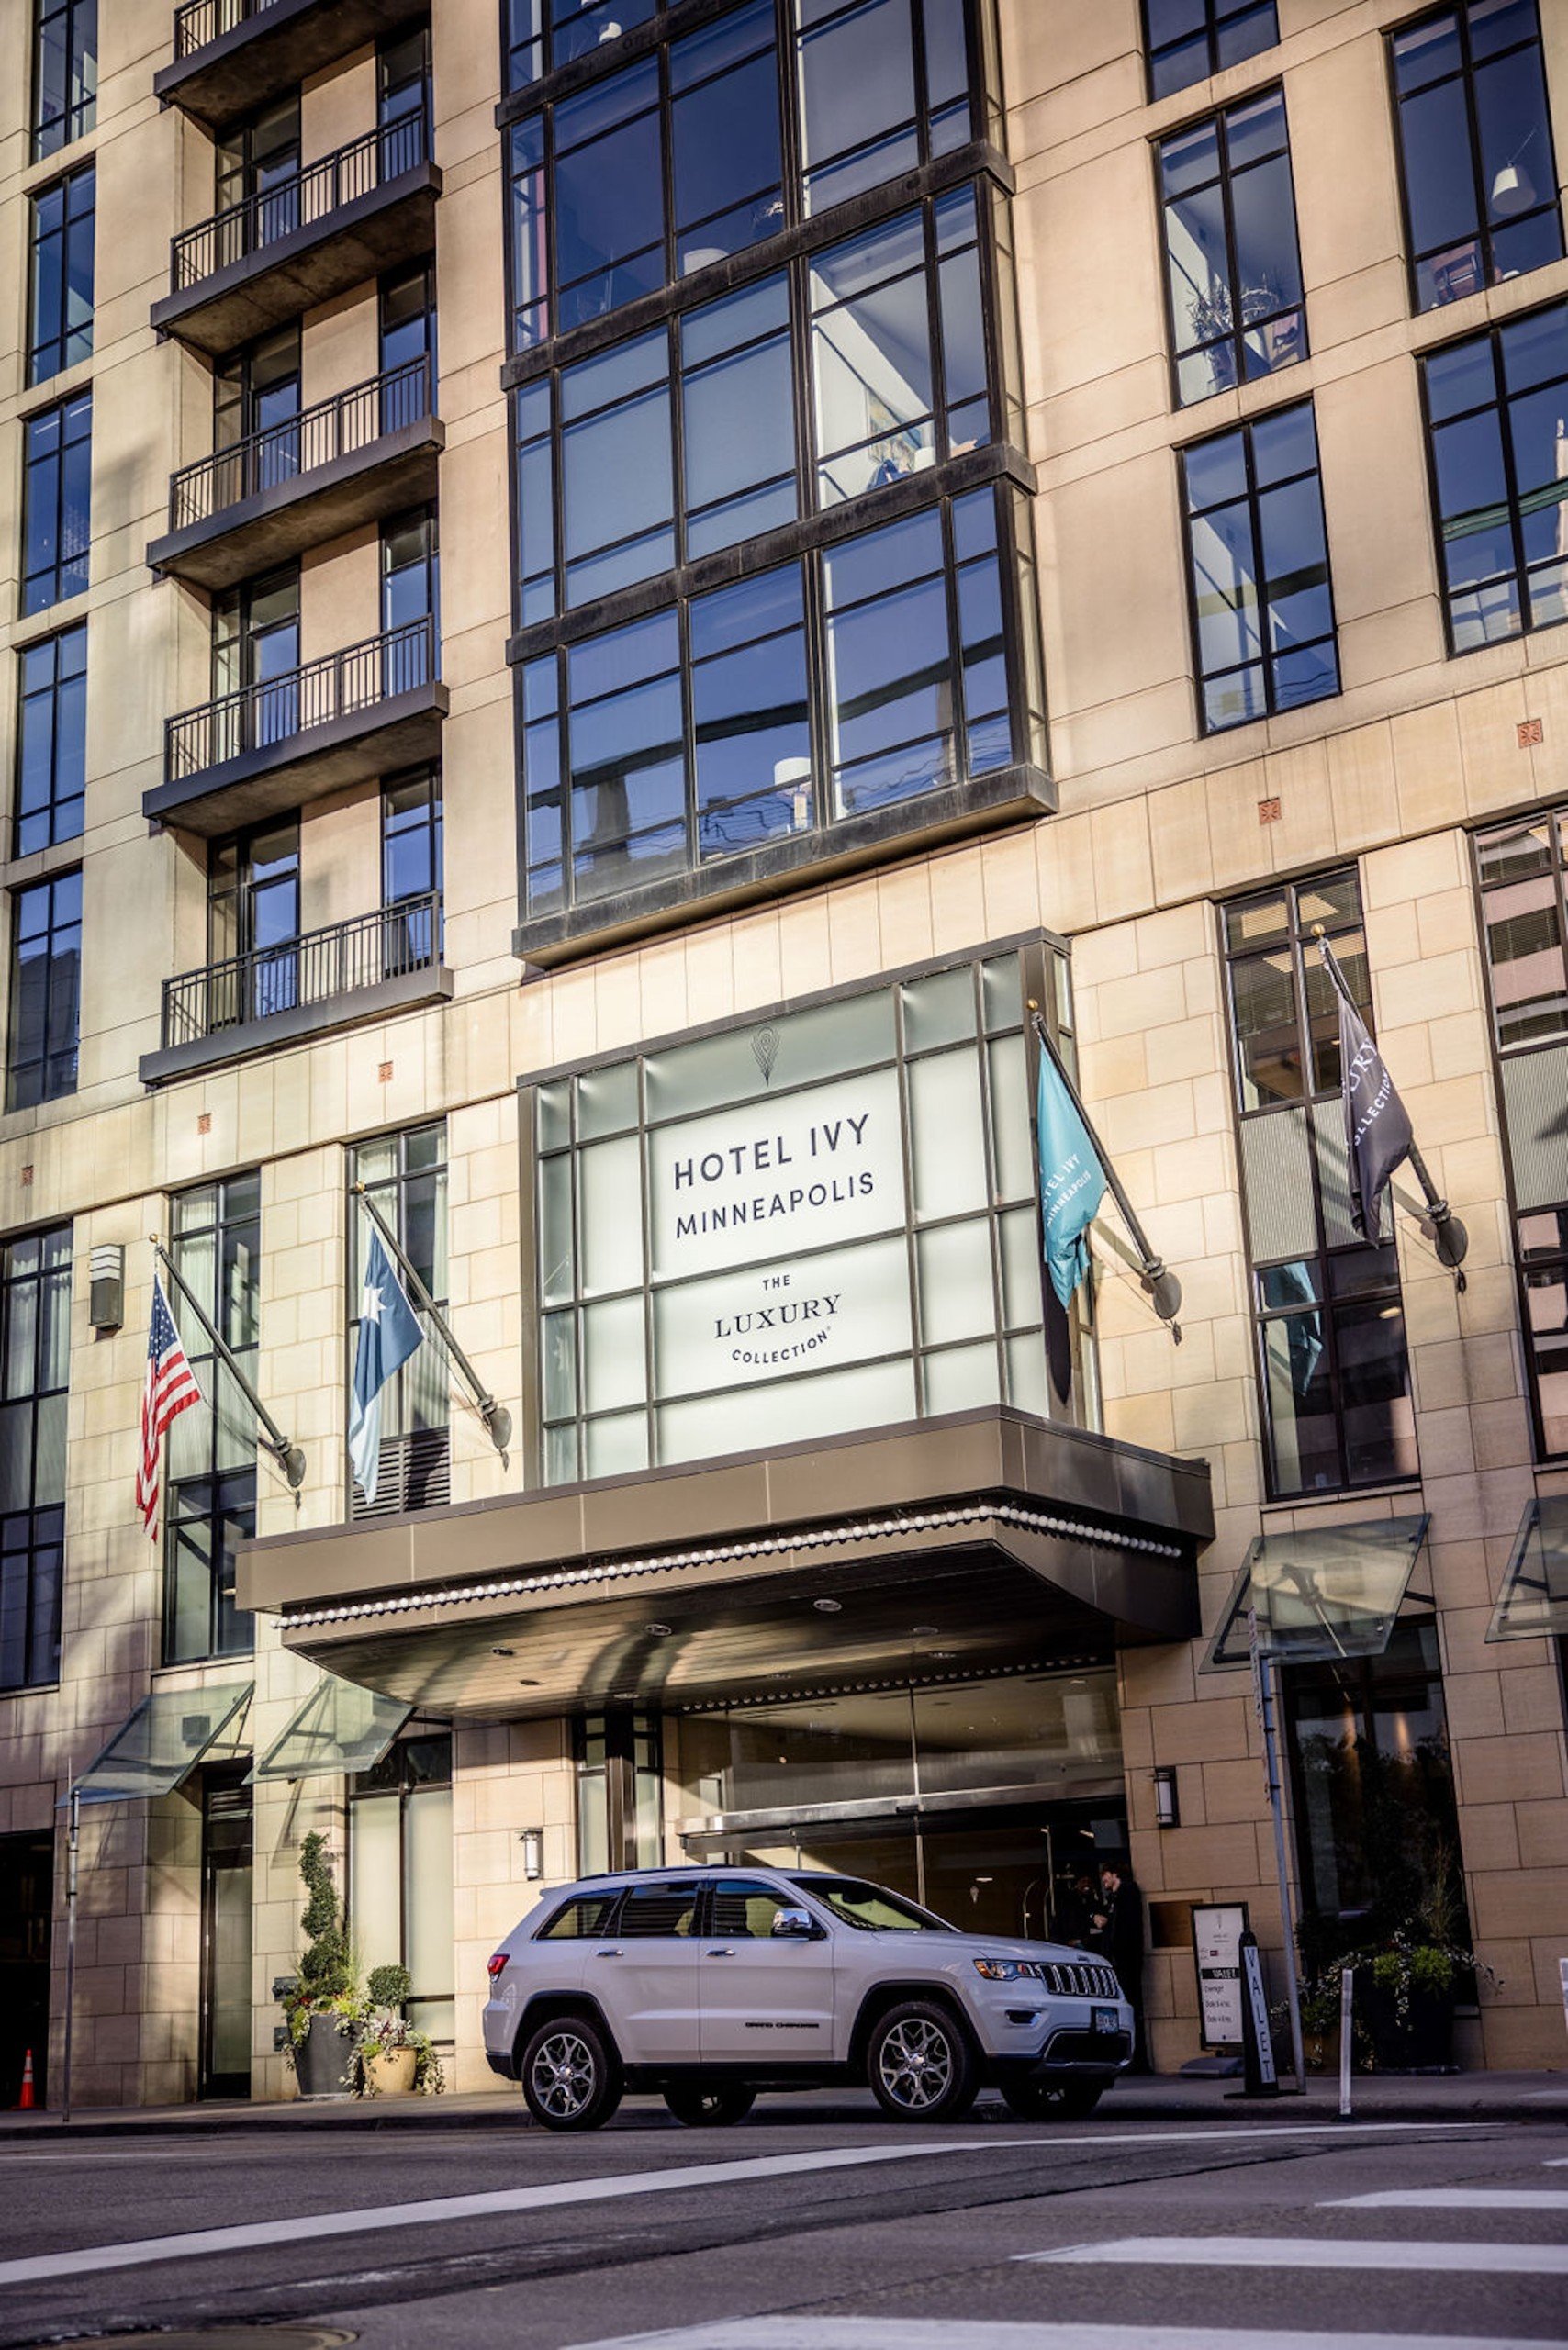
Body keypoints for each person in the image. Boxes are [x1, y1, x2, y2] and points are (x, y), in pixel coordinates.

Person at [1091, 1858, 1148, 2071]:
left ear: (1114, 1874)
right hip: (1120, 1959)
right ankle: (1131, 2056)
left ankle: (1137, 2058)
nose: (1103, 1880)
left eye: (1105, 1875)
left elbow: (1124, 1929)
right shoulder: (1116, 1897)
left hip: (1125, 1959)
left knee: (1130, 2004)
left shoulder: (1127, 1892)